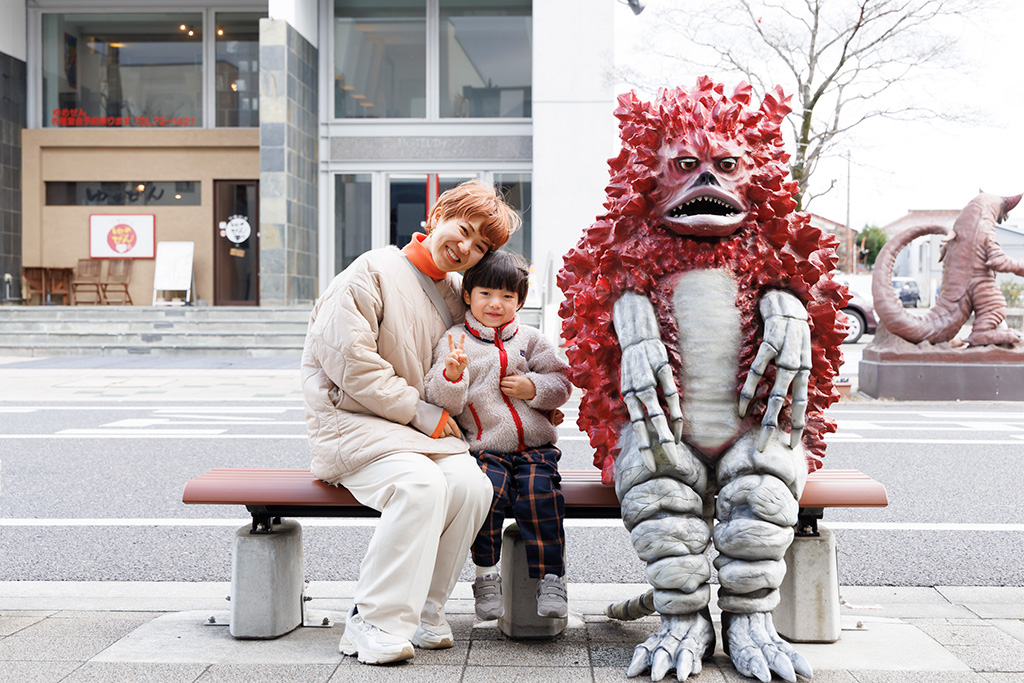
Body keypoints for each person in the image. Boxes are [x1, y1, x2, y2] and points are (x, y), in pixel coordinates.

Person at [302, 181, 520, 665]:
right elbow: (350, 362)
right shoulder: (370, 271)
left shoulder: (456, 295)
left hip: (417, 432)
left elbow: (486, 359)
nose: (465, 247)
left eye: (480, 245)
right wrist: (421, 412)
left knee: (472, 487)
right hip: (353, 424)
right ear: (437, 215)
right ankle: (373, 620)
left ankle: (425, 609)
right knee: (420, 486)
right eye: (463, 229)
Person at [424, 250, 572, 621]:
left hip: (536, 447)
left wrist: (533, 387)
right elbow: (441, 400)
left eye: (507, 296)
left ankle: (551, 578)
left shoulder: (532, 339)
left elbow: (561, 382)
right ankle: (485, 575)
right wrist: (453, 375)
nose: (496, 303)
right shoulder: (455, 340)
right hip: (485, 447)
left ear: (520, 301)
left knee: (541, 495)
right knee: (487, 496)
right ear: (468, 295)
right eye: (486, 294)